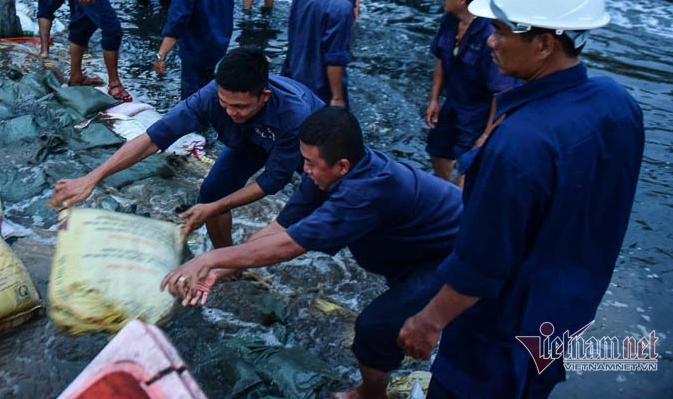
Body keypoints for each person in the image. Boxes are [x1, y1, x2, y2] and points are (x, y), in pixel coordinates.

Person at [398, 0, 645, 399]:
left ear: (545, 44)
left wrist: (427, 321)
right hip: (562, 315)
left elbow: (481, 266)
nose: (491, 41)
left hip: (496, 335)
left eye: (499, 30)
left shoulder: (520, 143)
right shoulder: (618, 103)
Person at [162, 107, 463, 399]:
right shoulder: (326, 174)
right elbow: (279, 230)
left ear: (342, 166)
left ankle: (371, 394)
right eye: (303, 159)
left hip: (456, 255)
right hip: (416, 250)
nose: (304, 170)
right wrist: (219, 270)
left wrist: (209, 258)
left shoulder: (367, 192)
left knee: (374, 327)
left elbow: (289, 246)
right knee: (403, 322)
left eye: (310, 163)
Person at [51, 47, 324, 248]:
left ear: (264, 97)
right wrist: (92, 178)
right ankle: (226, 261)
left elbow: (273, 181)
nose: (230, 112)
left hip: (309, 144)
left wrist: (215, 208)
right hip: (249, 140)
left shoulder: (295, 115)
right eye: (225, 103)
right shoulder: (210, 97)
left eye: (239, 106)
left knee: (317, 201)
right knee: (211, 194)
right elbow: (154, 138)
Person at [426, 0, 519, 184]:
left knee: (468, 166)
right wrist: (434, 100)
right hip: (453, 104)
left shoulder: (491, 35)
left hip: (479, 115)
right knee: (437, 150)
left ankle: (459, 199)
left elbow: (503, 91)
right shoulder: (449, 19)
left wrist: (487, 135)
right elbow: (441, 59)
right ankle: (447, 190)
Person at [281, 0, 356, 107]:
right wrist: (337, 98)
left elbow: (293, 36)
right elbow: (334, 57)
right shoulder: (342, 6)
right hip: (321, 91)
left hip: (293, 80)